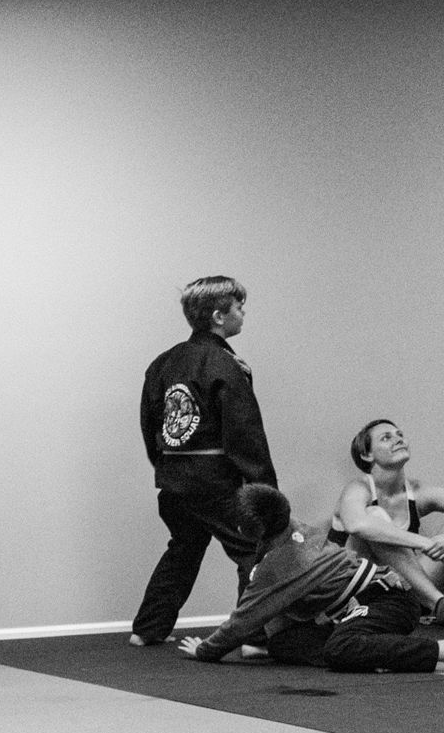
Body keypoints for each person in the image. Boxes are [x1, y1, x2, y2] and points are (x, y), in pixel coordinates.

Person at [130, 276, 275, 647]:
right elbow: (243, 432)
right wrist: (265, 489)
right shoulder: (225, 365)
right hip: (215, 482)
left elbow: (150, 424)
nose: (243, 313)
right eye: (238, 307)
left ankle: (147, 629)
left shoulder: (163, 362)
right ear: (217, 316)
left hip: (174, 477)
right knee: (251, 551)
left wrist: (165, 466)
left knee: (184, 547)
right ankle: (252, 635)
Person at [178, 484, 443, 673]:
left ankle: (437, 650)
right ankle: (371, 654)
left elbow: (243, 620)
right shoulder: (291, 525)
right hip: (356, 606)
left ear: (244, 531)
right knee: (282, 644)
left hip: (387, 600)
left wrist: (205, 650)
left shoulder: (280, 566)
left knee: (341, 648)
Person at [327, 419, 444, 617]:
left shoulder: (417, 491)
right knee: (374, 515)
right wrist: (425, 543)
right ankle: (437, 604)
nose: (398, 440)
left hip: (404, 589)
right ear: (367, 455)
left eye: (400, 435)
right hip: (354, 591)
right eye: (386, 438)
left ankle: (433, 606)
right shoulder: (357, 489)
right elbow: (357, 524)